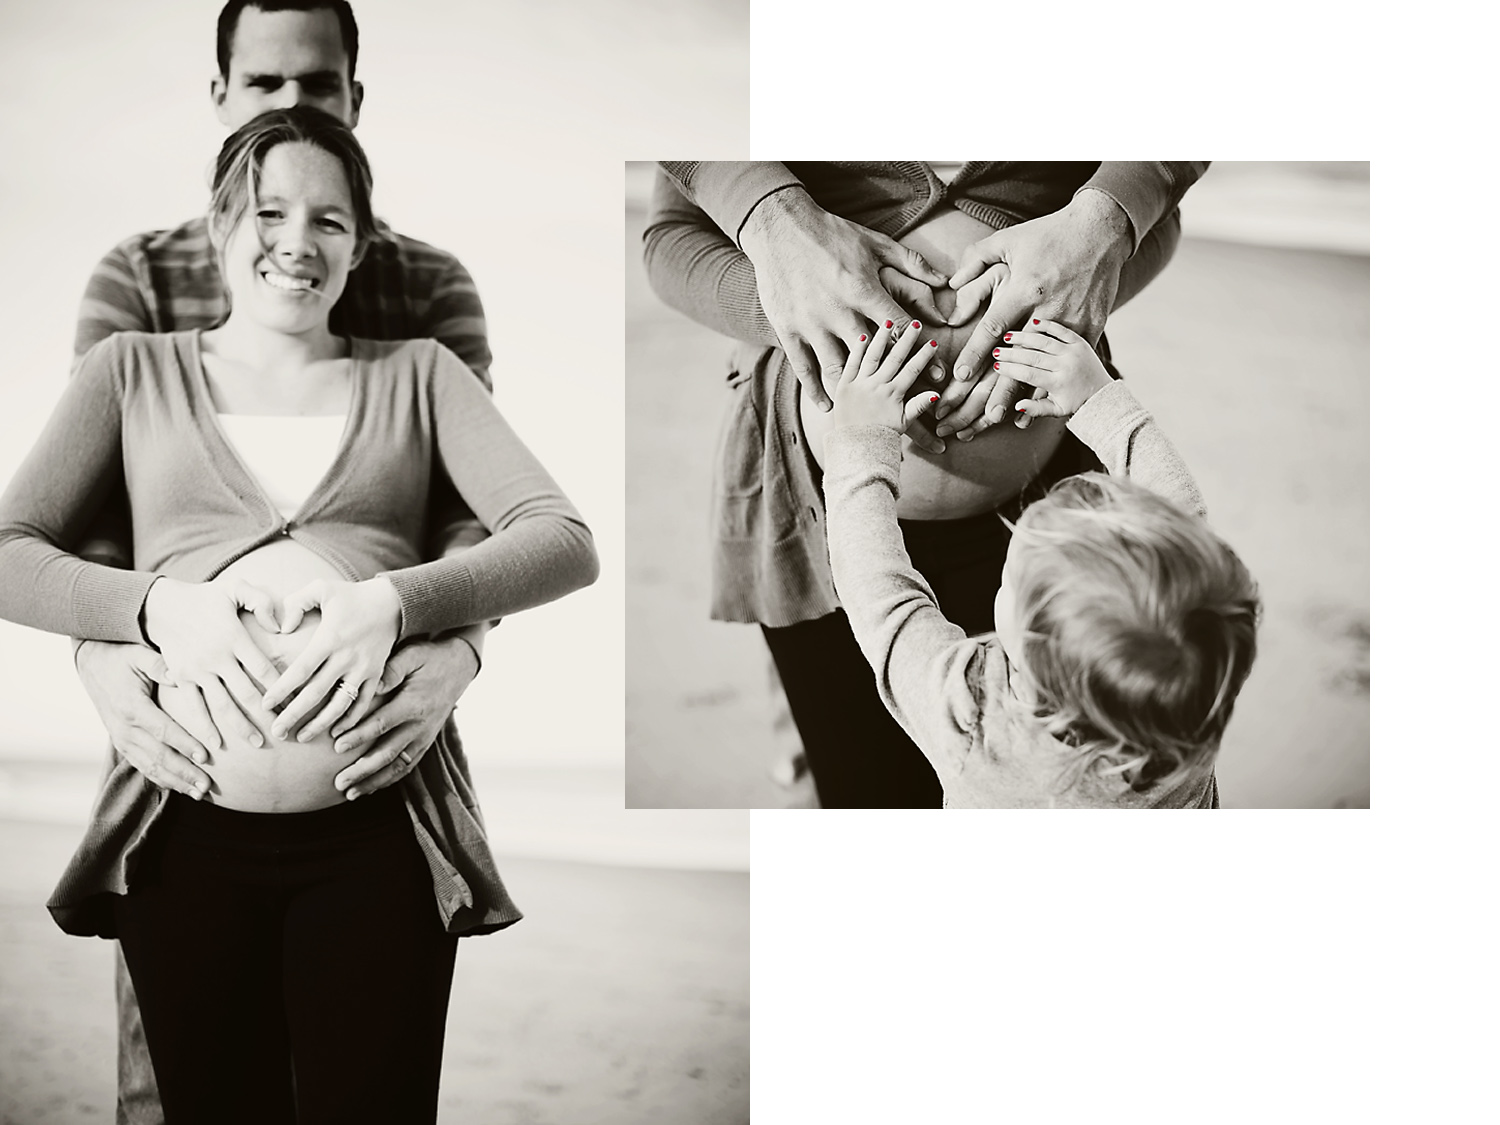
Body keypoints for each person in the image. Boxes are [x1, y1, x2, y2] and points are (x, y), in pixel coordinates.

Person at [0, 106, 598, 1122]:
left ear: (362, 241)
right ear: (219, 225)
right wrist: (154, 612)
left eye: (330, 219)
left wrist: (393, 605)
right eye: (269, 211)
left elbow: (560, 540)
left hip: (381, 844)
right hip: (179, 840)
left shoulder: (421, 376)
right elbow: (12, 552)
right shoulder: (129, 372)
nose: (297, 241)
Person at [70, 2, 498, 1119]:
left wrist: (457, 655)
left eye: (319, 86)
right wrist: (101, 659)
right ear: (220, 99)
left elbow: (477, 522)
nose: (293, 107)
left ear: (357, 99)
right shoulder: (137, 288)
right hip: (183, 774)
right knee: (167, 1090)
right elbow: (90, 526)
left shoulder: (431, 296)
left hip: (371, 799)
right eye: (265, 85)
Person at [643, 161, 1207, 808]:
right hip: (821, 509)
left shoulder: (960, 705)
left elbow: (877, 587)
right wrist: (790, 302)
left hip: (937, 517)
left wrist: (1103, 235)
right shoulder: (1186, 695)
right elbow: (673, 237)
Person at [821, 316, 1259, 807]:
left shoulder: (975, 719)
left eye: (1008, 580)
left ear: (1024, 646)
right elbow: (1184, 531)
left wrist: (861, 439)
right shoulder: (1194, 703)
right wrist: (1100, 399)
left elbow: (880, 595)